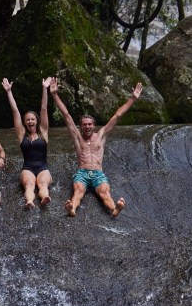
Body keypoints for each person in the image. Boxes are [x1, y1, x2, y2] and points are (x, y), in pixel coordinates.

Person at [49, 78, 143, 217]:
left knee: (104, 192)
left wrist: (133, 99)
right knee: (79, 191)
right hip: (82, 173)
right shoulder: (77, 137)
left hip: (98, 174)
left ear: (94, 126)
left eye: (89, 124)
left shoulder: (101, 135)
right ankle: (72, 208)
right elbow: (66, 115)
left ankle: (114, 209)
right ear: (80, 126)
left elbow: (117, 116)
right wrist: (55, 95)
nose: (87, 126)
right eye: (84, 124)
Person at [2, 76, 53, 209]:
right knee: (30, 184)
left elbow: (44, 109)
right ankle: (29, 201)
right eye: (27, 120)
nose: (30, 121)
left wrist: (44, 89)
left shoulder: (43, 132)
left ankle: (44, 197)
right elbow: (15, 111)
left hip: (43, 167)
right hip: (28, 168)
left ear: (37, 121)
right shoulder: (21, 135)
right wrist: (9, 92)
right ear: (24, 123)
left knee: (42, 184)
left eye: (32, 119)